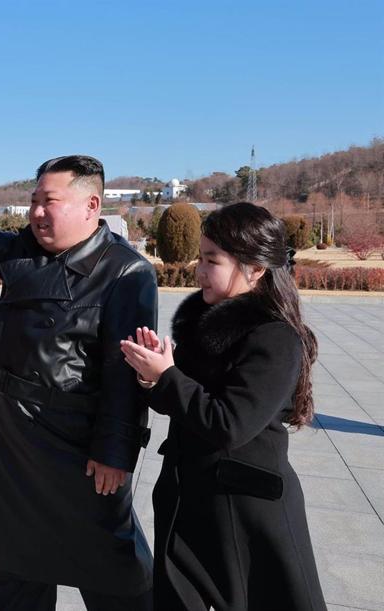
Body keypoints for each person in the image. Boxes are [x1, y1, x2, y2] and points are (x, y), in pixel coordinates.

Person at [0, 126, 155, 610]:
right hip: (15, 444)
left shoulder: (125, 271)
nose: (38, 212)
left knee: (109, 567)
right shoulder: (25, 253)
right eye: (34, 201)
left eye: (50, 202)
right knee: (21, 563)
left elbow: (125, 373)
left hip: (78, 449)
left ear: (91, 206)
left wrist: (115, 451)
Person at [120, 203, 327, 611]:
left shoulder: (276, 338)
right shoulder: (208, 324)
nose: (199, 271)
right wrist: (152, 374)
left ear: (255, 269)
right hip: (190, 503)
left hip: (248, 511)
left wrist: (168, 376)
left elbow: (230, 424)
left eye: (212, 260)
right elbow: (184, 402)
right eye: (200, 258)